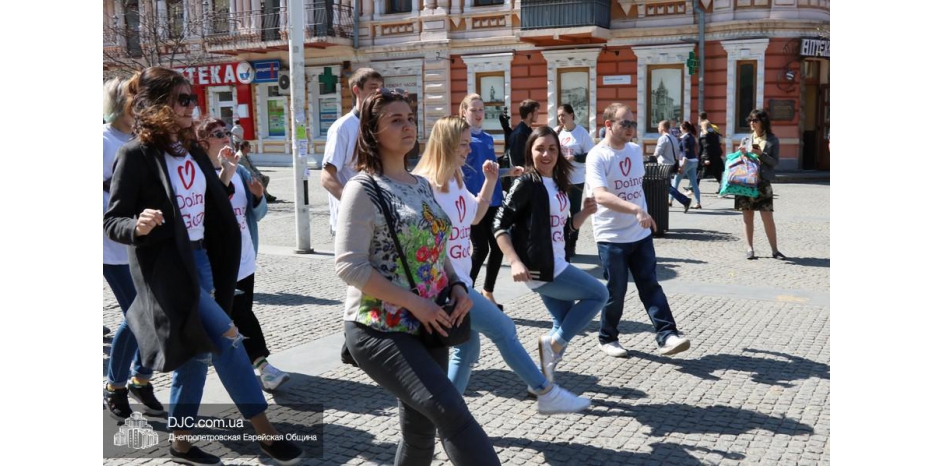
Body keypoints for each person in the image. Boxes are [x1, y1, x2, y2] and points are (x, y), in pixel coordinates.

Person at [103, 67, 301, 465]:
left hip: (204, 261)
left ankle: (180, 444)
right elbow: (113, 220)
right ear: (157, 105)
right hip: (168, 267)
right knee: (228, 339)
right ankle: (266, 433)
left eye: (192, 98)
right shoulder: (135, 155)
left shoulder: (191, 150)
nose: (191, 105)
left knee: (197, 355)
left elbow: (211, 201)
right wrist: (138, 225)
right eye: (182, 99)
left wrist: (231, 183)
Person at [335, 89, 500, 465]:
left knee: (420, 433)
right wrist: (415, 303)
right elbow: (349, 265)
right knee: (452, 413)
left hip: (429, 323)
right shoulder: (363, 188)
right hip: (379, 326)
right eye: (395, 120)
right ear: (372, 131)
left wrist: (457, 285)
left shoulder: (420, 184)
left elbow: (437, 249)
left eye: (409, 118)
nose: (408, 125)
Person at [413, 116, 590, 414]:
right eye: (464, 144)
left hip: (460, 283)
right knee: (504, 328)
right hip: (443, 286)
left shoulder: (455, 178)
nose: (469, 150)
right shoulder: (424, 185)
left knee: (466, 350)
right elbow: (424, 245)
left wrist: (491, 181)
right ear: (446, 144)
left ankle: (446, 418)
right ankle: (545, 390)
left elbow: (476, 216)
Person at [494, 126, 609, 385]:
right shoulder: (526, 183)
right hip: (541, 266)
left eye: (552, 149)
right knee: (600, 294)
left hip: (557, 260)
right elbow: (499, 224)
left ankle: (540, 383)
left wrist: (585, 213)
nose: (546, 154)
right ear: (530, 152)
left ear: (559, 152)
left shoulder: (557, 183)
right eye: (540, 149)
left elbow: (564, 229)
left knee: (562, 321)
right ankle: (553, 345)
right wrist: (514, 261)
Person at [587, 103, 692, 359]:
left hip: (640, 234)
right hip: (611, 236)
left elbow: (635, 187)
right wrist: (635, 209)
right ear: (608, 125)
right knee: (616, 291)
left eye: (633, 123)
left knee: (650, 286)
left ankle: (667, 335)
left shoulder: (634, 151)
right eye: (625, 123)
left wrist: (642, 211)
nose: (631, 128)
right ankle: (607, 337)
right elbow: (600, 196)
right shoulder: (597, 155)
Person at [196, 118, 291, 392]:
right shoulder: (199, 174)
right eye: (217, 134)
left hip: (245, 257)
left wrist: (259, 197)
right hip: (217, 260)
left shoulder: (240, 171)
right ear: (203, 142)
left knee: (239, 313)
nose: (225, 137)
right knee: (237, 314)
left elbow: (257, 214)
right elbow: (207, 213)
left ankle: (246, 364)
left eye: (226, 132)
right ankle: (262, 366)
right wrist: (225, 173)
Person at [102, 76, 164, 420]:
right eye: (134, 99)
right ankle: (115, 385)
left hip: (145, 241)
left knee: (154, 313)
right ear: (119, 103)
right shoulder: (102, 140)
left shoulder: (142, 139)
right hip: (112, 245)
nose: (140, 106)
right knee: (136, 314)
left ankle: (140, 378)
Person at [461, 94, 522, 310]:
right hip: (474, 201)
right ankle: (463, 292)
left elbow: (490, 170)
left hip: (494, 200)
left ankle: (487, 293)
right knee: (480, 248)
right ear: (464, 112)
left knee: (498, 247)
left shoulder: (487, 138)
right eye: (473, 110)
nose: (479, 114)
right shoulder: (463, 139)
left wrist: (508, 172)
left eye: (481, 110)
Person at [320, 68, 383, 235]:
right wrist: (354, 204)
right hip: (350, 223)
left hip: (378, 221)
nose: (378, 92)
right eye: (373, 87)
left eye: (381, 88)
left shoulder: (380, 125)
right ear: (357, 90)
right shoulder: (342, 128)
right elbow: (327, 177)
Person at [737, 109, 786, 260]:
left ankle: (775, 250)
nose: (752, 123)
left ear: (763, 122)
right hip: (746, 182)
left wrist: (760, 154)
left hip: (762, 183)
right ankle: (749, 249)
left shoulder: (772, 140)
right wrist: (742, 154)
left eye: (755, 120)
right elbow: (740, 161)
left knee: (767, 218)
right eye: (750, 120)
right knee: (747, 216)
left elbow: (774, 162)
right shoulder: (746, 139)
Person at [555, 103, 595, 260]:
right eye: (559, 116)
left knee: (575, 211)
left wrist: (575, 157)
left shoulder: (581, 133)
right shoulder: (558, 132)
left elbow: (591, 155)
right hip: (560, 178)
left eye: (563, 115)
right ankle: (562, 241)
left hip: (576, 178)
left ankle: (572, 243)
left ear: (571, 115)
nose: (561, 118)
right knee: (560, 211)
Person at [653, 120, 692, 212]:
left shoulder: (663, 138)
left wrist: (651, 159)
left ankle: (685, 200)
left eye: (659, 127)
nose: (658, 128)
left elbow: (658, 152)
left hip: (663, 166)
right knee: (666, 185)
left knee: (665, 186)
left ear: (662, 128)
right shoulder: (673, 138)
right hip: (672, 164)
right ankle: (663, 204)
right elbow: (678, 153)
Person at [672, 121, 702, 209]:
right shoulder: (692, 136)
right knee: (694, 183)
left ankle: (670, 201)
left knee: (676, 181)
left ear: (684, 128)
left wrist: (682, 166)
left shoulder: (685, 138)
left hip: (686, 161)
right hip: (694, 161)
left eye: (680, 128)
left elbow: (686, 153)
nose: (679, 129)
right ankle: (698, 203)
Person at [506, 99, 540, 169]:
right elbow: (518, 161)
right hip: (522, 172)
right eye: (536, 112)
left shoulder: (527, 130)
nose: (538, 114)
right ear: (530, 115)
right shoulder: (520, 133)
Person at [697, 119, 724, 185]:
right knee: (718, 175)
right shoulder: (715, 134)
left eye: (701, 126)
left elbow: (706, 147)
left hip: (708, 158)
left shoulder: (705, 136)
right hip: (716, 157)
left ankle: (693, 187)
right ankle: (722, 187)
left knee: (700, 172)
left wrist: (706, 158)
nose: (700, 128)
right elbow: (717, 145)